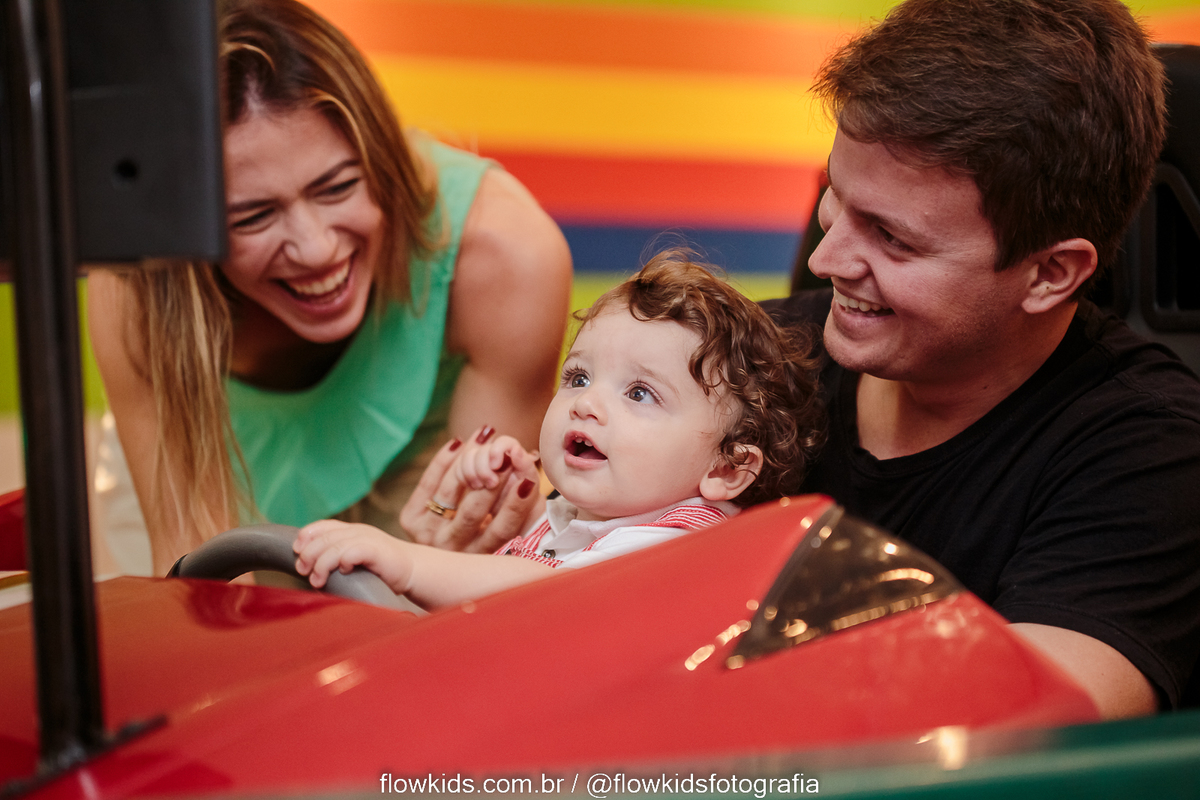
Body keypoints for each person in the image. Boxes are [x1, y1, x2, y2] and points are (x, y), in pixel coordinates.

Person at [763, 0, 1200, 718]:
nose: (825, 259)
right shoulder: (751, 356)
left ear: (1050, 273)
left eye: (891, 238)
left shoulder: (1152, 453)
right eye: (836, 197)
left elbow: (1034, 723)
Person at [87, 0, 570, 576]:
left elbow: (466, 563)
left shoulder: (502, 254)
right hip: (213, 463)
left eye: (337, 187)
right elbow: (194, 576)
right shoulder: (141, 281)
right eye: (253, 216)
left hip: (416, 474)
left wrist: (434, 558)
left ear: (383, 161)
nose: (315, 249)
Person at [292, 252, 824, 608]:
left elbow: (553, 597)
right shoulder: (584, 517)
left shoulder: (685, 542)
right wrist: (504, 513)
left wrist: (410, 565)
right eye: (578, 377)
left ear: (727, 468)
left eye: (640, 393)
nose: (586, 403)